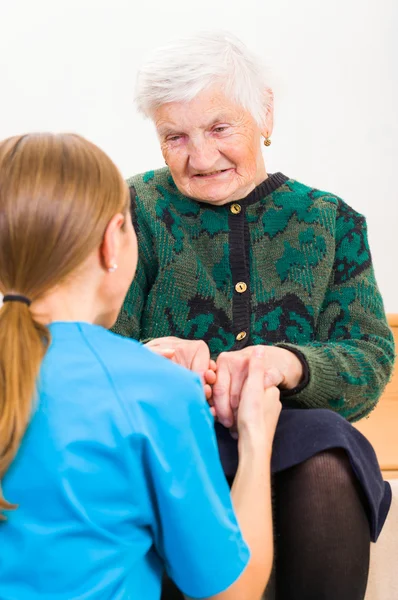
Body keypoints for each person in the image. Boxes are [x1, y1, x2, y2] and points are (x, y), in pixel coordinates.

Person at [113, 32, 395, 600]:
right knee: (174, 467)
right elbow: (88, 340)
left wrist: (287, 364)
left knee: (327, 451)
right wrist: (149, 360)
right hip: (172, 433)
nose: (200, 156)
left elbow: (368, 358)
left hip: (293, 434)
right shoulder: (130, 209)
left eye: (219, 128)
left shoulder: (330, 220)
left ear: (263, 112)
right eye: (175, 137)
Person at [0, 132, 282, 600]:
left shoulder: (143, 385)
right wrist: (256, 441)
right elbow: (232, 593)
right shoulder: (155, 391)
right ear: (114, 242)